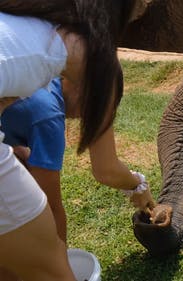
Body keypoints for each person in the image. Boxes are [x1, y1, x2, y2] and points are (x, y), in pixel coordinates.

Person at [0, 1, 155, 280]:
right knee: (51, 265)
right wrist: (138, 185)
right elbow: (103, 171)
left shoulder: (34, 26)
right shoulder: (91, 59)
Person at [1, 77, 155, 244]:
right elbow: (50, 208)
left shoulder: (45, 79)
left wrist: (137, 186)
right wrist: (61, 264)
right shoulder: (48, 118)